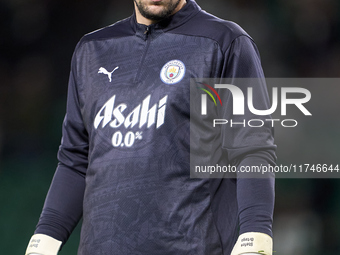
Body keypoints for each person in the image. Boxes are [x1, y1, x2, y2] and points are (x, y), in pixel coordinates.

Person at [25, 0, 276, 254]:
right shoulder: (92, 50)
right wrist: (44, 237)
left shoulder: (224, 42)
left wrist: (255, 235)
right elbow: (76, 159)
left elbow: (252, 148)